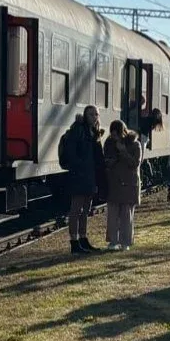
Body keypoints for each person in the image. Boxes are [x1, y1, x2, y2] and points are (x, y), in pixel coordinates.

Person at [60, 106, 105, 254]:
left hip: (90, 176)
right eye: (91, 114)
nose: (94, 117)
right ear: (85, 115)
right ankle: (74, 241)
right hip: (79, 175)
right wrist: (80, 166)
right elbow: (73, 154)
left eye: (96, 115)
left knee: (86, 210)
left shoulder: (95, 133)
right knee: (76, 209)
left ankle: (83, 238)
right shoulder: (78, 131)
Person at [103, 120, 142, 251]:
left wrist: (123, 151)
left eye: (117, 134)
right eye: (113, 135)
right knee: (112, 214)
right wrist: (110, 161)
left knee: (126, 214)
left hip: (129, 183)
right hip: (114, 182)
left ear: (123, 133)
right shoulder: (108, 144)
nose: (115, 137)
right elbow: (105, 161)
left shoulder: (135, 144)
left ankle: (125, 242)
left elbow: (135, 163)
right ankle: (113, 241)